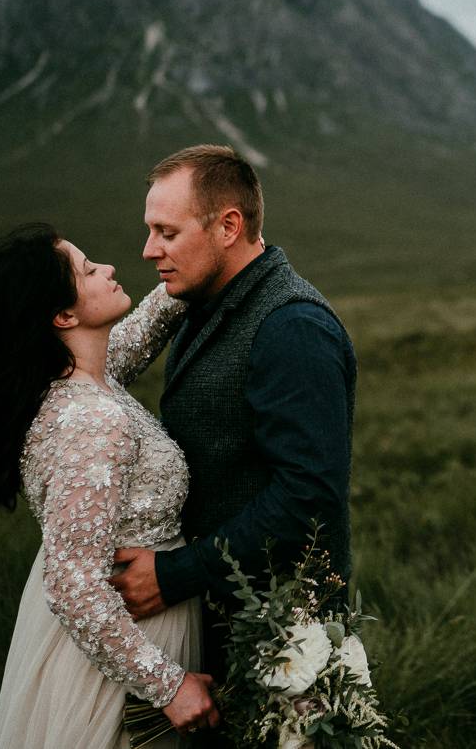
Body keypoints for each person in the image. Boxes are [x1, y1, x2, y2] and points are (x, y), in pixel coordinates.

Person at [108, 145, 355, 718]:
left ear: (228, 227)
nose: (149, 250)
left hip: (281, 639)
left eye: (166, 232)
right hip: (219, 628)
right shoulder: (205, 302)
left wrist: (173, 575)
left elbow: (307, 497)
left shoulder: (292, 328)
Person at [0, 223, 221, 747]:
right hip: (121, 650)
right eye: (87, 269)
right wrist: (168, 687)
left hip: (133, 624)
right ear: (63, 316)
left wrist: (206, 252)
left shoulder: (84, 377)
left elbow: (144, 328)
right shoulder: (91, 421)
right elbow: (73, 584)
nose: (108, 268)